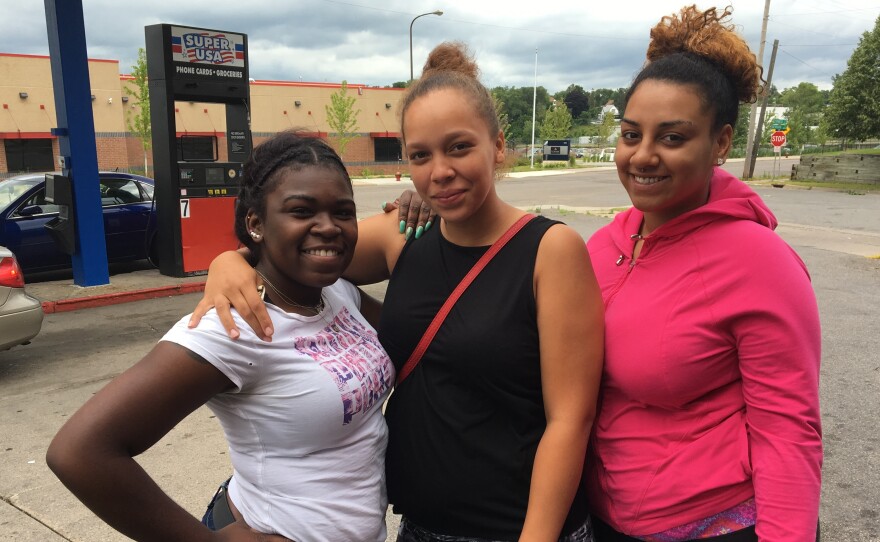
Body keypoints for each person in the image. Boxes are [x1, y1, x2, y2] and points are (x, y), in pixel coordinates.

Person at [191, 42, 605, 541]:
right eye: (420, 156)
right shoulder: (402, 236)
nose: (440, 171)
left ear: (497, 146)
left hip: (517, 528)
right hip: (418, 527)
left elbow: (570, 419)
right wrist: (230, 260)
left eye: (459, 147)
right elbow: (298, 249)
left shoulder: (549, 249)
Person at [46, 132, 395, 542]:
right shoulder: (234, 326)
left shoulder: (338, 293)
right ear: (256, 223)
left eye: (343, 212)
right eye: (302, 210)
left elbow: (412, 338)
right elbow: (79, 452)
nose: (329, 227)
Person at [584, 6, 822, 541]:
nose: (642, 156)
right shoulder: (603, 246)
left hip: (714, 525)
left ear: (720, 143)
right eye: (630, 134)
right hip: (601, 519)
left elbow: (788, 431)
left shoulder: (762, 264)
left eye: (672, 138)